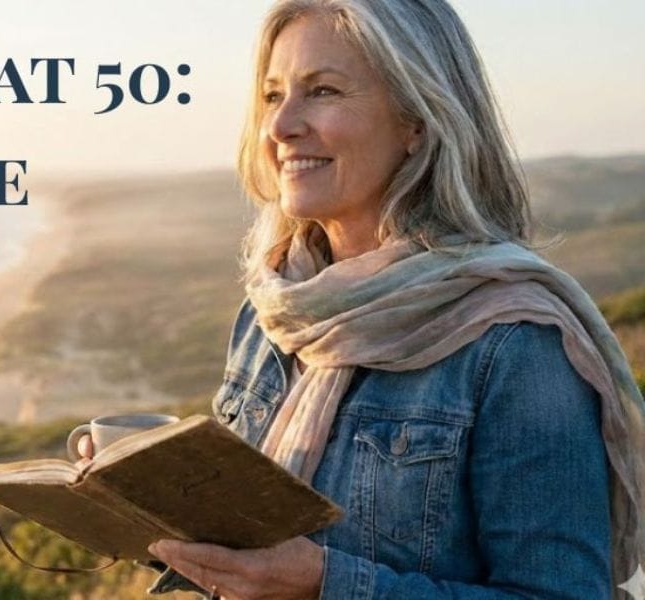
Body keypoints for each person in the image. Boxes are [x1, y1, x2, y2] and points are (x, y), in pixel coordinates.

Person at [74, 0, 645, 598]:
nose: (280, 126)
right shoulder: (276, 309)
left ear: (416, 119)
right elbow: (239, 547)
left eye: (321, 91)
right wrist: (137, 499)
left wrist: (324, 584)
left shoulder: (515, 343)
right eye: (272, 96)